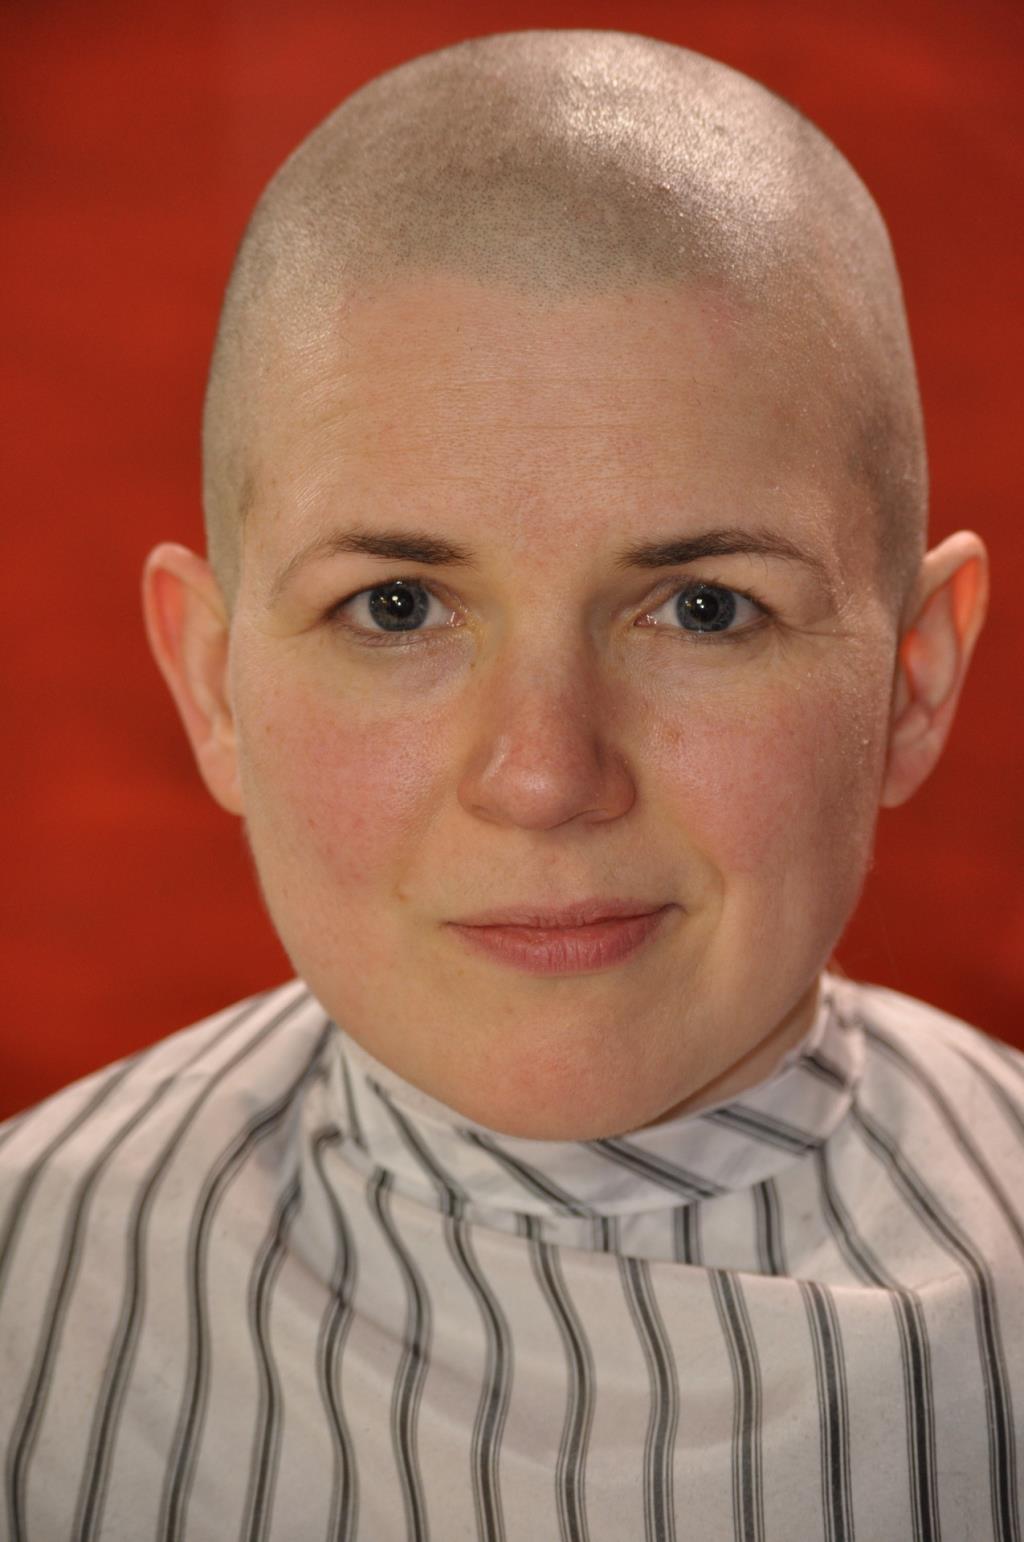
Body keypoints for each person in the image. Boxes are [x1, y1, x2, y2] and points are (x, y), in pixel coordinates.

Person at [1, 26, 1019, 1542]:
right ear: (213, 684)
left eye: (704, 609)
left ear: (913, 680)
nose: (544, 774)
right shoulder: (26, 1283)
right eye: (397, 606)